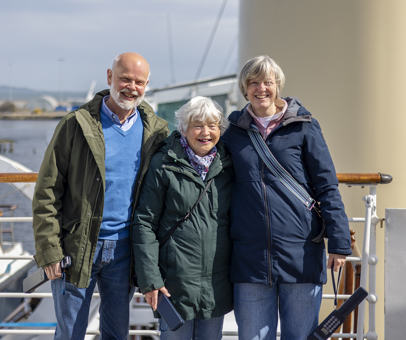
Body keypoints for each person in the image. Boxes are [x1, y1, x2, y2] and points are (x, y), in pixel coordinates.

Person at [32, 52, 169, 340]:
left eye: (139, 82)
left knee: (117, 334)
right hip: (77, 247)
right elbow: (47, 191)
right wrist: (49, 251)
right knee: (70, 333)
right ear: (109, 77)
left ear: (147, 86)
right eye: (125, 79)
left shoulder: (156, 131)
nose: (131, 87)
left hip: (124, 250)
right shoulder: (75, 124)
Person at [221, 55, 352, 340]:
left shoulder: (305, 126)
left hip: (301, 254)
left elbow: (327, 185)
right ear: (245, 88)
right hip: (249, 258)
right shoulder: (232, 132)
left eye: (267, 82)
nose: (261, 89)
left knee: (302, 336)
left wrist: (339, 242)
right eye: (253, 82)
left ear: (277, 85)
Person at [132, 96, 233, 340]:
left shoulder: (228, 165)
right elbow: (144, 223)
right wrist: (150, 280)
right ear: (184, 128)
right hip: (173, 285)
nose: (205, 132)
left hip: (216, 285)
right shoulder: (164, 163)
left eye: (212, 125)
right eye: (197, 125)